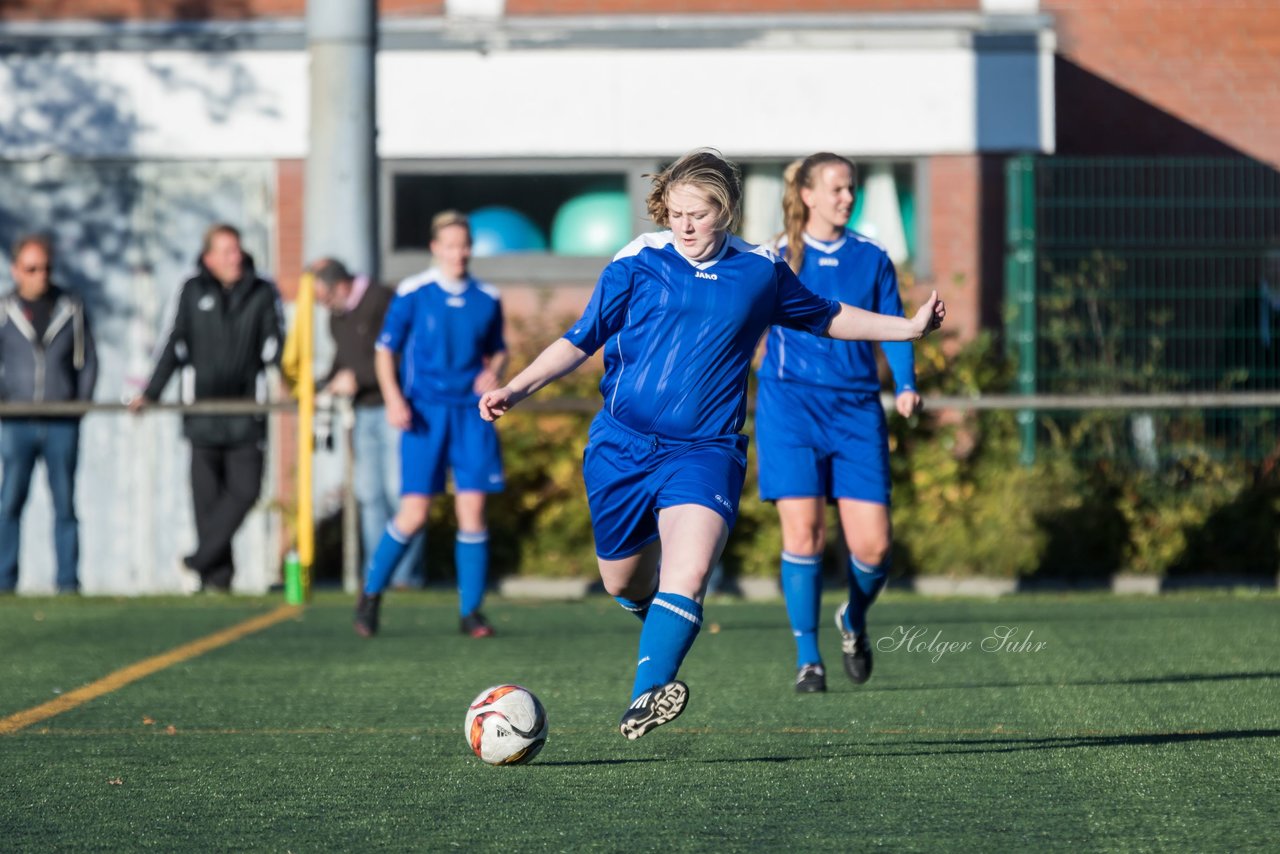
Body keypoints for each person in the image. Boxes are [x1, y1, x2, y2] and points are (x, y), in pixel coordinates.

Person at [479, 149, 944, 740]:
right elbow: (579, 340)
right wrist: (516, 388)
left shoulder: (761, 270)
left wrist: (906, 327)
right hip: (621, 447)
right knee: (622, 582)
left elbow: (828, 316)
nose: (685, 226)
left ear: (725, 211)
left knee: (690, 570)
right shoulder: (637, 261)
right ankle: (660, 624)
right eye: (675, 214)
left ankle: (646, 695)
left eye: (698, 214)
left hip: (706, 450)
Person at [756, 153, 921, 694]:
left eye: (851, 188)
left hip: (855, 411)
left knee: (873, 549)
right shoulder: (774, 257)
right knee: (804, 533)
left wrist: (906, 385)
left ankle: (852, 617)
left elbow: (895, 326)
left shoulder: (873, 258)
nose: (847, 198)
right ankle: (808, 658)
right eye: (836, 189)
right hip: (790, 409)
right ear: (806, 195)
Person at [354, 211, 508, 638]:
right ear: (435, 249)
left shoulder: (487, 297)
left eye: (464, 245)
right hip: (425, 412)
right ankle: (370, 596)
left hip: (472, 414)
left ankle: (471, 613)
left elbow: (499, 351)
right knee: (414, 513)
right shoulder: (413, 292)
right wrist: (393, 398)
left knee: (473, 510)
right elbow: (386, 351)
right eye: (450, 246)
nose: (458, 253)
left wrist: (494, 371)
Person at [130, 224, 283, 592]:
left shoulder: (261, 292)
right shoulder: (192, 290)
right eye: (226, 252)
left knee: (245, 491)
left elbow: (276, 345)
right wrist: (150, 393)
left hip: (246, 412)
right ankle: (216, 578)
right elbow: (173, 345)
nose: (234, 258)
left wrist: (286, 379)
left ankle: (199, 558)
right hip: (202, 414)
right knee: (207, 502)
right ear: (209, 257)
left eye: (237, 250)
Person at [298, 258, 427, 589]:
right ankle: (378, 574)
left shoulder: (382, 301)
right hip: (363, 413)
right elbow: (343, 361)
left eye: (324, 296)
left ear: (340, 286)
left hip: (396, 410)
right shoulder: (336, 317)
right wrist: (320, 385)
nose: (322, 305)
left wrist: (358, 378)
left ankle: (405, 577)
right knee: (369, 495)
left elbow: (401, 356)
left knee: (401, 494)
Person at [0, 234, 98, 594]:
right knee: (9, 502)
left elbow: (88, 360)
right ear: (16, 271)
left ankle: (68, 583)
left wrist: (80, 404)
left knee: (65, 504)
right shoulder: (4, 309)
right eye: (32, 268)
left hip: (61, 421)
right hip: (16, 422)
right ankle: (4, 583)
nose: (40, 275)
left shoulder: (69, 306)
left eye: (46, 268)